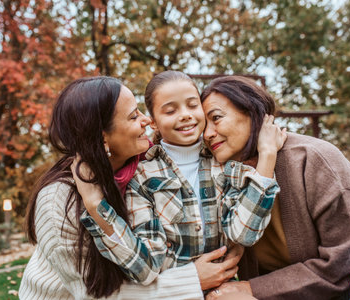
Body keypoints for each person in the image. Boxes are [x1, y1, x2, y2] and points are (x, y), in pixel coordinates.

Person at [19, 76, 251, 300]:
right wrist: (193, 279)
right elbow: (91, 296)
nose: (147, 121)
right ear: (103, 138)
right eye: (133, 117)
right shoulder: (57, 201)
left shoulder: (143, 167)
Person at [75, 71, 286, 286]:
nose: (185, 115)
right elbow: (145, 270)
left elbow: (243, 234)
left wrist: (267, 156)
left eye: (193, 105)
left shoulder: (223, 163)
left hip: (225, 291)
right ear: (154, 123)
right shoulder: (143, 177)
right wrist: (96, 208)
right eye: (170, 110)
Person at [200, 75, 350, 300]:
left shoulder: (316, 160)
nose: (207, 134)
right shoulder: (217, 175)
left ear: (253, 113)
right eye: (203, 126)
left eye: (216, 118)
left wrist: (252, 289)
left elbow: (344, 265)